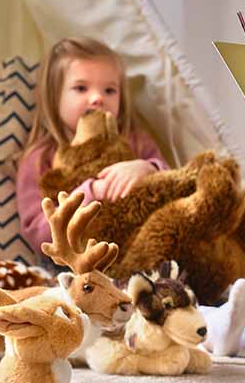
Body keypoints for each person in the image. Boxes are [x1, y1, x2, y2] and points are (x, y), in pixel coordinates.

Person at [16, 37, 168, 258]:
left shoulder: (135, 141)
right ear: (54, 95)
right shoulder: (40, 158)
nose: (97, 98)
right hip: (78, 266)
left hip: (137, 251)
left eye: (109, 90)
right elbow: (38, 234)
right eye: (81, 88)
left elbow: (173, 181)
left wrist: (147, 168)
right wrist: (92, 193)